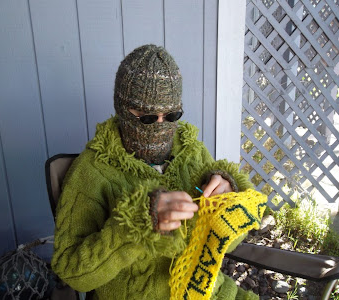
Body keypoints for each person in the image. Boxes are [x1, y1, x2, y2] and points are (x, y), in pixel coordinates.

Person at [52, 44, 258, 299]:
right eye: (148, 118)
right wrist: (137, 224)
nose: (160, 126)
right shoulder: (93, 169)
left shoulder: (192, 152)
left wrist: (226, 203)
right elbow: (72, 272)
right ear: (123, 109)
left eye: (171, 115)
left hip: (213, 292)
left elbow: (234, 240)